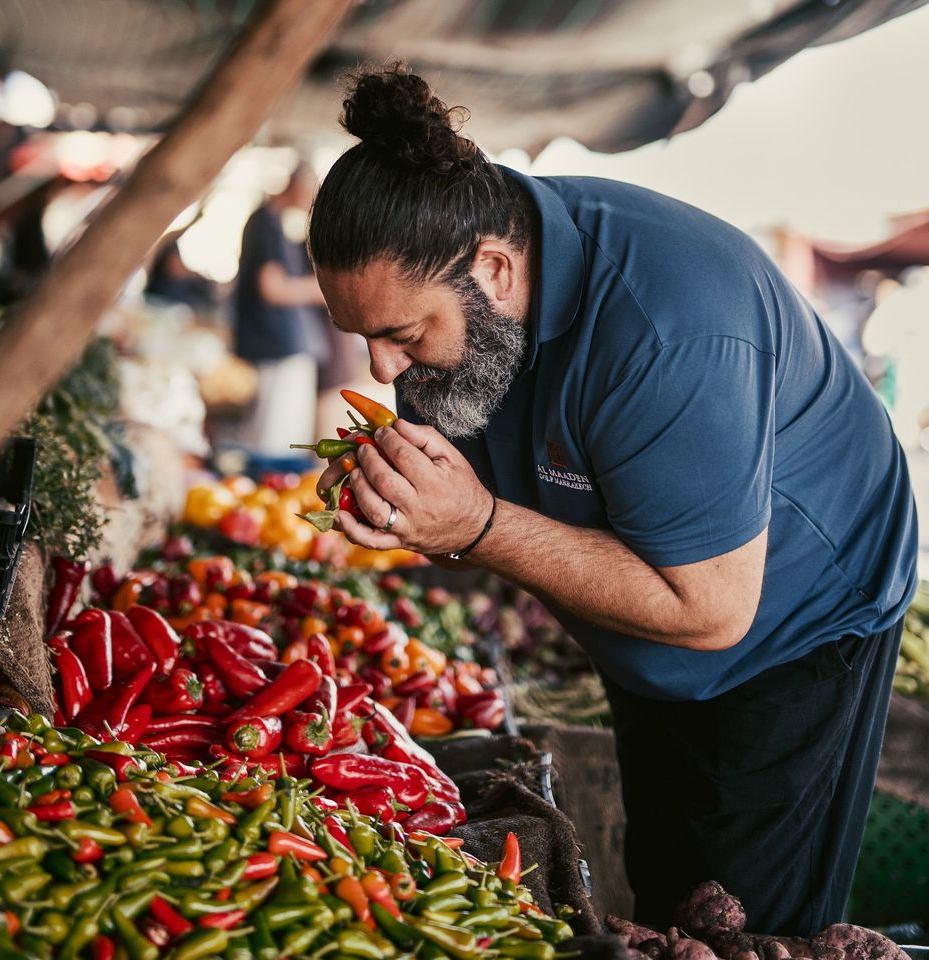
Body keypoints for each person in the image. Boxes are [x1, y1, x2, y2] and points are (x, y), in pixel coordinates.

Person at [309, 65, 919, 935]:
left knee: (743, 920)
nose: (380, 371)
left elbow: (708, 610)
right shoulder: (463, 272)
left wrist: (477, 524)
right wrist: (406, 502)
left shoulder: (671, 328)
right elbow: (470, 487)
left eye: (401, 336)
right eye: (363, 336)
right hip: (649, 611)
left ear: (493, 269)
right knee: (670, 881)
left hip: (797, 613)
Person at [233, 162, 328, 453]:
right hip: (277, 347)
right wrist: (320, 290)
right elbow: (272, 287)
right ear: (298, 185)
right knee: (275, 439)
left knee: (277, 433)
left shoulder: (271, 222)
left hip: (279, 345)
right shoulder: (266, 222)